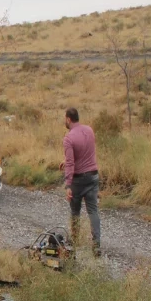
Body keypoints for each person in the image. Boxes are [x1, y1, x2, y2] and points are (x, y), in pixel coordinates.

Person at [60, 107, 101, 255]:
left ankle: (75, 242)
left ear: (68, 119)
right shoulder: (89, 130)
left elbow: (71, 163)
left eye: (65, 118)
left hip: (78, 180)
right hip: (93, 176)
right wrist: (66, 161)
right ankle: (96, 246)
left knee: (75, 211)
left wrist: (68, 185)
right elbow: (85, 152)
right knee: (93, 211)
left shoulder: (69, 138)